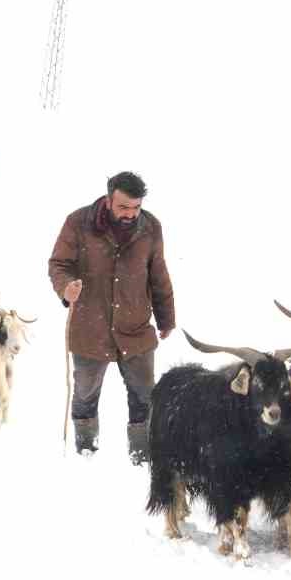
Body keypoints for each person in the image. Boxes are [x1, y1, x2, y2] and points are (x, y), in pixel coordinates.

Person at [47, 171, 175, 463]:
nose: (130, 214)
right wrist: (66, 287)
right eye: (123, 207)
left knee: (144, 395)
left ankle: (142, 456)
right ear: (108, 200)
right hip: (90, 328)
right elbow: (58, 264)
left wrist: (166, 317)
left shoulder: (151, 227)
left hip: (136, 327)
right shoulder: (78, 223)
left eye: (136, 208)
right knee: (85, 394)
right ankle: (86, 450)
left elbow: (158, 275)